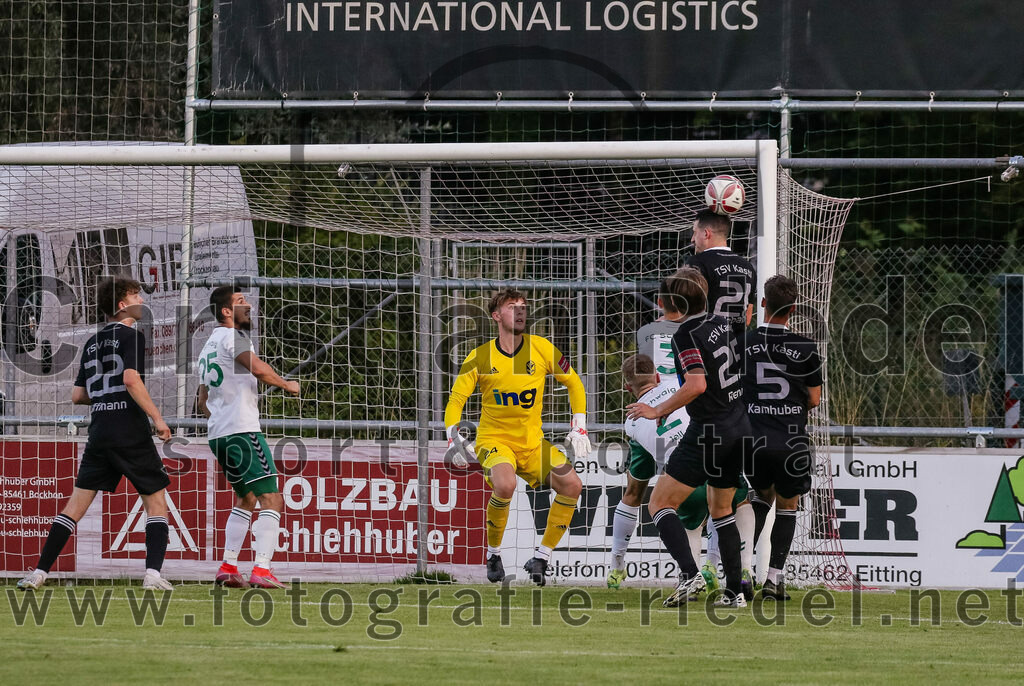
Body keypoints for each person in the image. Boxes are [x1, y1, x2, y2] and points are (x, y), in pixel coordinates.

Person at [18, 277, 174, 591]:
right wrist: (157, 418)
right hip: (129, 429)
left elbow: (78, 395)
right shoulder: (131, 333)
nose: (141, 300)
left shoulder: (91, 342)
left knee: (74, 507)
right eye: (136, 296)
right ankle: (153, 575)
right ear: (122, 304)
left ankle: (38, 573)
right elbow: (131, 379)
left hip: (100, 430)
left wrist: (105, 395)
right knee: (156, 502)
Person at [444, 288, 591, 586]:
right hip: (494, 441)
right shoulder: (479, 356)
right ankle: (493, 554)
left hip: (532, 443)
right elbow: (456, 400)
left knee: (572, 485)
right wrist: (453, 437)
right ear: (496, 316)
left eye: (524, 306)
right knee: (505, 484)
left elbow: (574, 383)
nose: (521, 311)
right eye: (513, 307)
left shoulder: (542, 348)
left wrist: (579, 425)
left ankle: (541, 557)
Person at [626, 267, 751, 607]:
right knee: (721, 509)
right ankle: (736, 592)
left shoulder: (685, 334)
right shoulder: (721, 321)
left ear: (669, 302)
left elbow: (697, 384)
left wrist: (658, 410)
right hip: (739, 424)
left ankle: (689, 574)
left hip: (710, 430)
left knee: (659, 503)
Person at [613, 354, 755, 597]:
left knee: (678, 513)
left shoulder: (631, 423)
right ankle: (744, 570)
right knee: (739, 500)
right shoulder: (678, 385)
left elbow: (634, 489)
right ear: (657, 375)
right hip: (715, 456)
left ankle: (692, 575)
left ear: (628, 388)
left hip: (684, 476)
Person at [197, 286, 299, 589]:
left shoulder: (208, 345)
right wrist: (287, 384)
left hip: (219, 435)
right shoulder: (233, 336)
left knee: (247, 498)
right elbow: (257, 368)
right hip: (242, 430)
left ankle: (228, 567)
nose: (249, 305)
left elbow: (202, 399)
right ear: (226, 311)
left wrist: (220, 416)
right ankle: (262, 569)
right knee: (272, 498)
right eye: (241, 302)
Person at [742, 275, 822, 601]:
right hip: (790, 440)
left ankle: (743, 572)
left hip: (753, 439)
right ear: (794, 309)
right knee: (788, 505)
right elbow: (815, 400)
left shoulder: (744, 342)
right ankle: (774, 579)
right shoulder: (805, 346)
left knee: (760, 498)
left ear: (764, 304)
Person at [685, 209, 756, 342]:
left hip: (704, 346)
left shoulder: (697, 262)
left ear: (706, 233)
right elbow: (747, 317)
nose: (692, 239)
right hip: (736, 350)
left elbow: (686, 311)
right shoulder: (748, 267)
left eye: (695, 232)